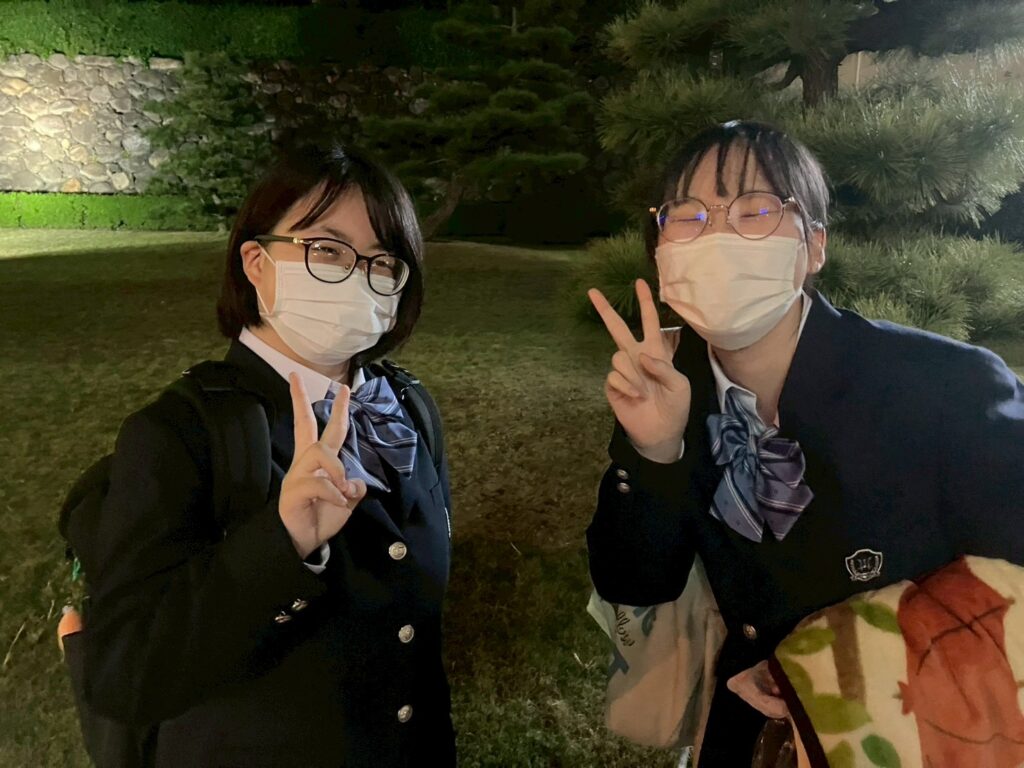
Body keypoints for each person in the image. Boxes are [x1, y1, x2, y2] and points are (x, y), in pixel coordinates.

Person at [585, 119, 1024, 765]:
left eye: (755, 209)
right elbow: (636, 581)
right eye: (688, 216)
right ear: (660, 250)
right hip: (751, 737)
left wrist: (823, 669)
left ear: (814, 245)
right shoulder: (672, 386)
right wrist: (655, 450)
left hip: (917, 733)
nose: (718, 237)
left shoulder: (942, 384)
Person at [79, 142, 455, 767]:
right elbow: (124, 673)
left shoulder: (408, 408)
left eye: (384, 261)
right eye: (327, 249)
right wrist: (280, 544)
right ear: (256, 262)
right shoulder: (181, 431)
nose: (359, 276)